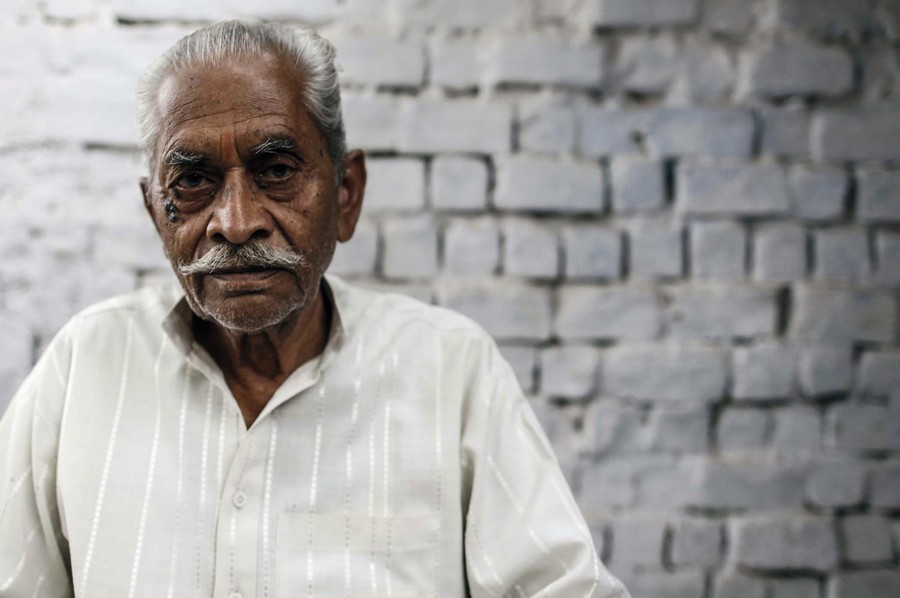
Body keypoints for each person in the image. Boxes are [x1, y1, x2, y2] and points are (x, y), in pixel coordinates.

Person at [0, 21, 628, 598]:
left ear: (346, 195)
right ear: (154, 212)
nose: (237, 223)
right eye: (191, 181)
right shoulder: (84, 365)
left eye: (277, 169)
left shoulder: (448, 369)